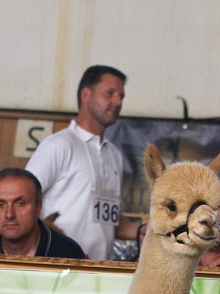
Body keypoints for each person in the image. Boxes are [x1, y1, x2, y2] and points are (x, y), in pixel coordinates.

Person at [26, 65, 139, 261]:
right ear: (86, 95)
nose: (118, 101)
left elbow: (107, 220)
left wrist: (140, 231)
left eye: (121, 96)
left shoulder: (114, 154)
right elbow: (21, 201)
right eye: (110, 93)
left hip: (98, 270)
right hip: (57, 267)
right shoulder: (58, 145)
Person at [0, 168, 86, 259]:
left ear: (38, 208)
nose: (9, 215)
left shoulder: (68, 254)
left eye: (20, 203)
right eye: (0, 204)